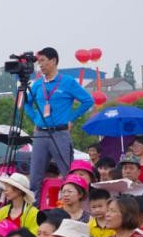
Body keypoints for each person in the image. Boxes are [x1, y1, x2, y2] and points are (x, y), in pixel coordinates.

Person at [22, 47, 95, 197]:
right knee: (35, 176)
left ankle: (73, 204)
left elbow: (88, 101)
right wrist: (36, 118)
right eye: (39, 62)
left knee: (67, 173)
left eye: (43, 61)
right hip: (40, 134)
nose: (40, 65)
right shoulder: (38, 84)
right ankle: (34, 207)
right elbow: (26, 103)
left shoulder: (68, 82)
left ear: (54, 60)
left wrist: (71, 118)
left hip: (60, 133)